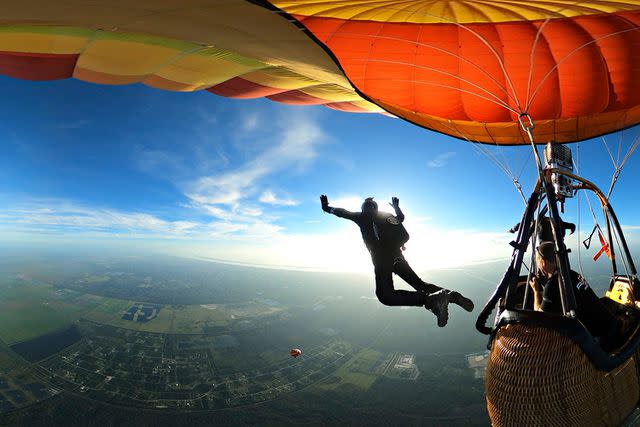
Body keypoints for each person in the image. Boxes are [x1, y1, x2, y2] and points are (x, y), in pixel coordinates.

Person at [320, 194, 474, 327]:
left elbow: (342, 212)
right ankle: (451, 295)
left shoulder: (361, 216)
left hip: (381, 259)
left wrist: (327, 208)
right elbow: (401, 218)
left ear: (364, 208)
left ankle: (432, 301)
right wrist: (396, 207)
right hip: (397, 256)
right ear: (375, 207)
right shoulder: (386, 215)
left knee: (385, 296)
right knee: (420, 284)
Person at [528, 241, 619, 339]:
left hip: (600, 339)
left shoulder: (553, 284)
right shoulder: (572, 274)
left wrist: (536, 291)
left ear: (543, 262)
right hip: (611, 325)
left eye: (537, 261)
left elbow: (540, 318)